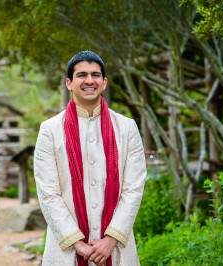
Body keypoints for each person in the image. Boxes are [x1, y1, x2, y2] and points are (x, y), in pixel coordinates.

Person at [34, 51, 147, 266]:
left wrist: (111, 238)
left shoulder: (126, 128)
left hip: (116, 249)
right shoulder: (50, 130)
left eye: (95, 75)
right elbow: (48, 193)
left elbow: (134, 188)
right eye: (81, 75)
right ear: (69, 83)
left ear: (104, 82)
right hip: (66, 251)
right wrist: (78, 244)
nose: (89, 81)